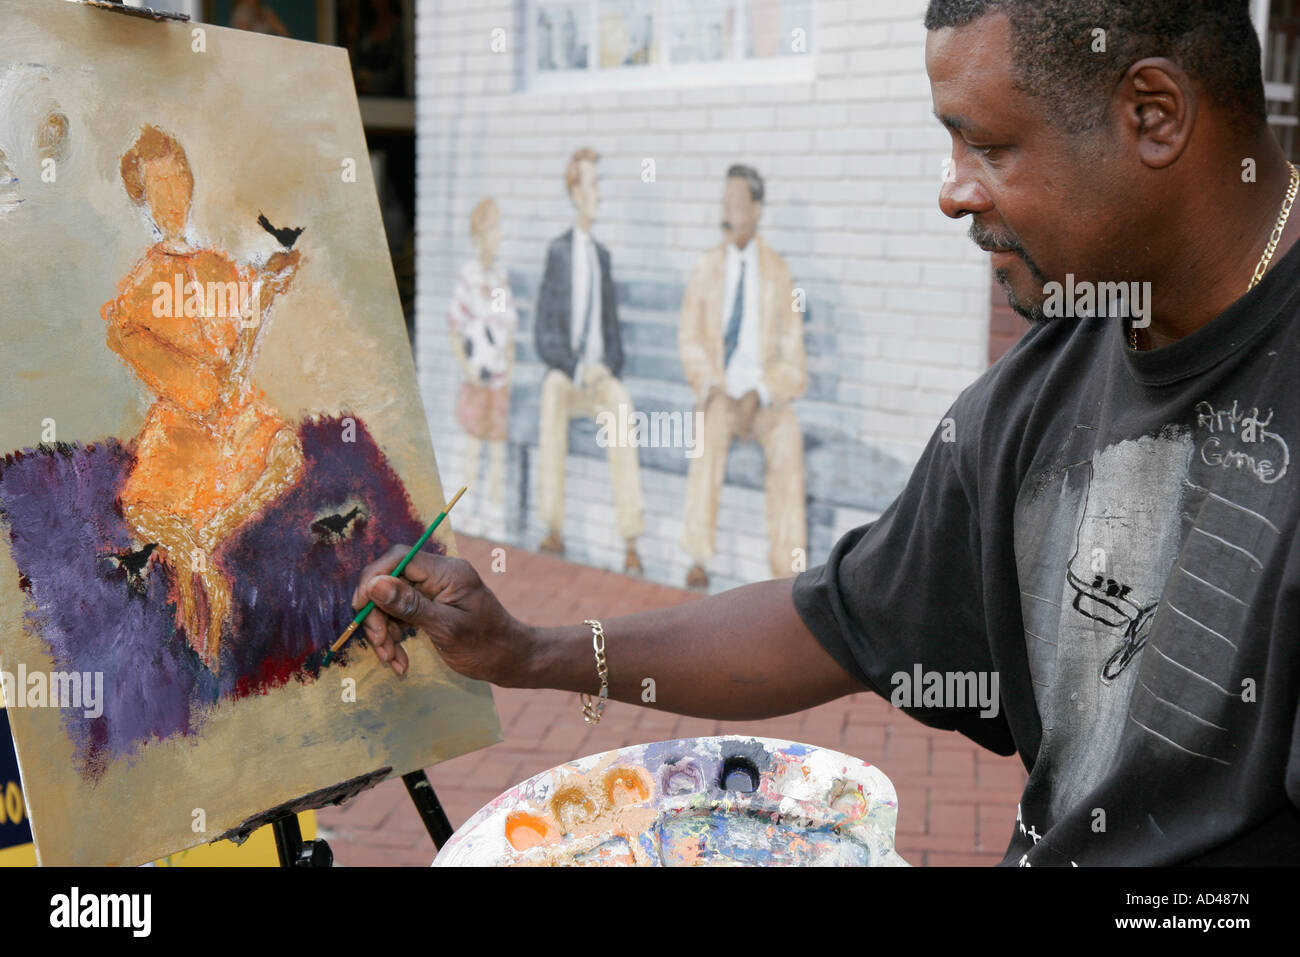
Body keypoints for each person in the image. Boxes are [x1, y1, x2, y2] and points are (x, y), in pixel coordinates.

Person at [350, 0, 1300, 865]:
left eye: (989, 146)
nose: (953, 192)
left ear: (1154, 116)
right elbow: (839, 618)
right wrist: (530, 650)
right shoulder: (1037, 393)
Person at [102, 125, 302, 671]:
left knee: (285, 455)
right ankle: (196, 589)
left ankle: (201, 544)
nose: (173, 194)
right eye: (158, 184)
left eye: (178, 178)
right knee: (155, 508)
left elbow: (240, 348)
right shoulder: (141, 286)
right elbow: (189, 384)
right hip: (187, 425)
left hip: (231, 414)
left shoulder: (218, 266)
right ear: (142, 198)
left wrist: (266, 289)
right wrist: (212, 386)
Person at [678, 165, 806, 589]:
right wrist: (712, 386)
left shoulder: (778, 272)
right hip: (721, 395)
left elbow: (795, 362)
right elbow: (690, 340)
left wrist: (762, 391)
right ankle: (698, 557)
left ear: (756, 209)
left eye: (737, 200)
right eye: (724, 199)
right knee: (706, 433)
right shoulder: (706, 267)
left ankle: (786, 574)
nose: (728, 208)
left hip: (764, 401)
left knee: (788, 439)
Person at [534, 147, 645, 574]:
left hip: (598, 377)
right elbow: (543, 331)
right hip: (566, 373)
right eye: (593, 185)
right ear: (576, 192)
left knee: (622, 405)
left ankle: (631, 538)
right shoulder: (558, 253)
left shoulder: (604, 258)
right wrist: (574, 366)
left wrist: (607, 367)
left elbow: (613, 333)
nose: (599, 194)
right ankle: (553, 528)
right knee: (550, 394)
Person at [447, 197, 517, 512]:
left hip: (499, 376)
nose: (499, 235)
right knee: (474, 442)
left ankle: (495, 506)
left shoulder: (499, 278)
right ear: (479, 235)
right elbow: (456, 330)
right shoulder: (469, 276)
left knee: (498, 443)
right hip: (477, 377)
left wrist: (509, 367)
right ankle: (470, 507)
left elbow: (507, 329)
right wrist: (468, 367)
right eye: (493, 229)